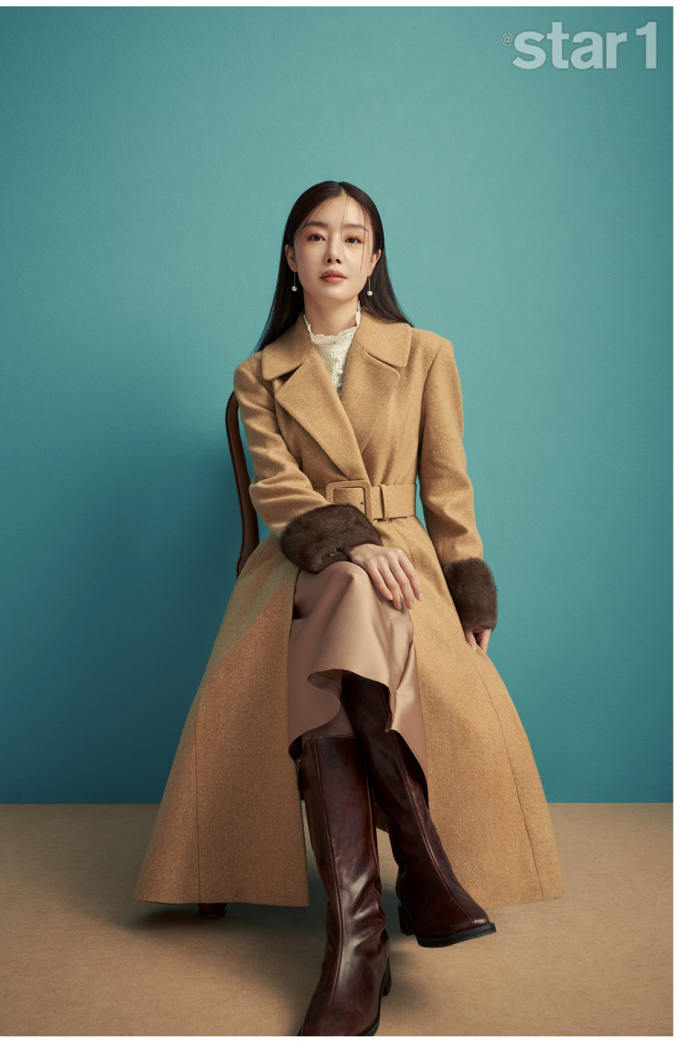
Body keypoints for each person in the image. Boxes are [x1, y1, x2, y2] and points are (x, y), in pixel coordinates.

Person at [133, 181, 564, 1037]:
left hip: (407, 569)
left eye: (353, 237)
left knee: (341, 648)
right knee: (346, 589)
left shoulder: (426, 353)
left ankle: (356, 940)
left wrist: (467, 583)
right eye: (315, 236)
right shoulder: (259, 373)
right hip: (299, 564)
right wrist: (349, 543)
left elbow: (446, 485)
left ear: (373, 261)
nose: (334, 251)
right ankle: (420, 873)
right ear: (289, 257)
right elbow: (278, 491)